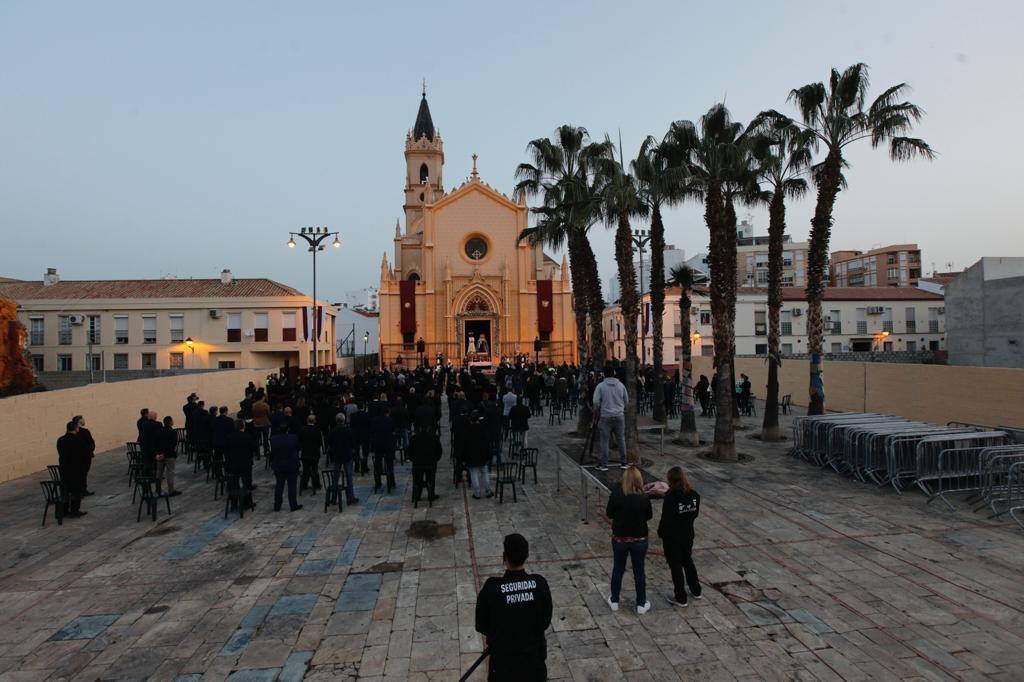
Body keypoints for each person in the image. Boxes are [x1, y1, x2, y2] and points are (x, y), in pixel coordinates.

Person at [474, 534, 553, 681]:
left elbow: (481, 625)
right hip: (533, 664)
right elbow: (545, 621)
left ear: (504, 556)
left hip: (503, 667)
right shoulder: (539, 584)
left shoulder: (492, 588)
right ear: (527, 555)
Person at [605, 466, 652, 614]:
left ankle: (614, 600)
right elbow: (649, 516)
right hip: (639, 539)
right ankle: (641, 603)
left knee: (618, 568)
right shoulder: (643, 497)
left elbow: (609, 513)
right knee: (639, 571)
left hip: (620, 539)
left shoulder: (616, 494)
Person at [658, 466, 702, 607]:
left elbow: (666, 519)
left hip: (673, 537)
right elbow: (695, 514)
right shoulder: (694, 495)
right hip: (688, 534)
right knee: (688, 561)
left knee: (676, 566)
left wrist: (661, 533)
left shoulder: (671, 497)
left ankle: (681, 597)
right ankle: (696, 590)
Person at [592, 372, 628, 472]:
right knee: (621, 439)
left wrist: (597, 409)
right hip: (619, 416)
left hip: (605, 417)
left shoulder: (600, 386)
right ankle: (624, 462)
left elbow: (595, 401)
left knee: (605, 441)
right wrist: (621, 408)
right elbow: (626, 400)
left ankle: (604, 464)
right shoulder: (621, 385)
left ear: (604, 375)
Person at [407, 421, 442, 505]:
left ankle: (417, 495)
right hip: (431, 463)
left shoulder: (414, 438)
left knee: (417, 479)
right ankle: (431, 494)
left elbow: (409, 452)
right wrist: (436, 459)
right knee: (431, 478)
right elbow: (439, 450)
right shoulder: (434, 437)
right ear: (428, 429)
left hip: (417, 464)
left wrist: (413, 460)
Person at [326, 414, 358, 505]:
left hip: (337, 456)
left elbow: (329, 443)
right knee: (349, 477)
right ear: (344, 421)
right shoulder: (348, 430)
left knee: (335, 477)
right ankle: (351, 497)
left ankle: (334, 498)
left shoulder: (332, 431)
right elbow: (353, 443)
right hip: (347, 455)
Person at [224, 418, 256, 509]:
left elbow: (226, 451)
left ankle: (234, 504)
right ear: (243, 426)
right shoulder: (247, 436)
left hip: (232, 465)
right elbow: (253, 449)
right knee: (247, 483)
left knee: (234, 484)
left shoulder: (229, 437)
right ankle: (247, 502)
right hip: (245, 464)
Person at [57, 420, 86, 518]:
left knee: (65, 489)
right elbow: (82, 454)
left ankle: (65, 510)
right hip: (75, 469)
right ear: (75, 428)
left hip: (64, 468)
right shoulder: (77, 440)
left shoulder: (60, 440)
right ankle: (75, 510)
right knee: (76, 490)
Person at [270, 424, 302, 512]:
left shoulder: (273, 439)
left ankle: (277, 505)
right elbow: (298, 448)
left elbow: (273, 451)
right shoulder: (293, 438)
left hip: (279, 465)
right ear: (288, 430)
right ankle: (293, 504)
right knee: (292, 486)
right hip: (291, 465)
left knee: (279, 486)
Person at [370, 404, 397, 493]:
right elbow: (393, 431)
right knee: (390, 465)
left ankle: (378, 482)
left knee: (377, 465)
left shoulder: (374, 420)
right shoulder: (390, 420)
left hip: (378, 446)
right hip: (388, 446)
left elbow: (372, 432)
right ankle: (391, 481)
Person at [466, 411, 493, 499]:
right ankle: (488, 491)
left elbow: (464, 444)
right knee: (484, 472)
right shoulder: (483, 429)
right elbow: (487, 443)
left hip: (471, 455)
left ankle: (477, 493)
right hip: (482, 454)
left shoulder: (467, 429)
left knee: (474, 473)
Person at [158, 415, 182, 496]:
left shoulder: (160, 431)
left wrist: (159, 454)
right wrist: (165, 454)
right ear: (170, 422)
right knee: (170, 473)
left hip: (160, 455)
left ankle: (158, 489)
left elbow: (157, 443)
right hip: (169, 455)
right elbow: (173, 445)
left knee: (159, 473)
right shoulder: (173, 432)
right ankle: (171, 490)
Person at [298, 415, 322, 494]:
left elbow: (300, 440)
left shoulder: (303, 430)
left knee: (305, 469)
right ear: (314, 421)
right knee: (315, 469)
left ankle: (304, 484)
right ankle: (316, 484)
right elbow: (320, 442)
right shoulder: (317, 430)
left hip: (305, 453)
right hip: (314, 453)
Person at [73, 416, 96, 496]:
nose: (84, 421)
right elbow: (91, 442)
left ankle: (79, 489)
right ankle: (82, 490)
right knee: (83, 473)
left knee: (80, 473)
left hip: (76, 457)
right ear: (79, 421)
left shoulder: (71, 434)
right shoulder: (84, 431)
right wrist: (90, 451)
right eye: (82, 420)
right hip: (85, 456)